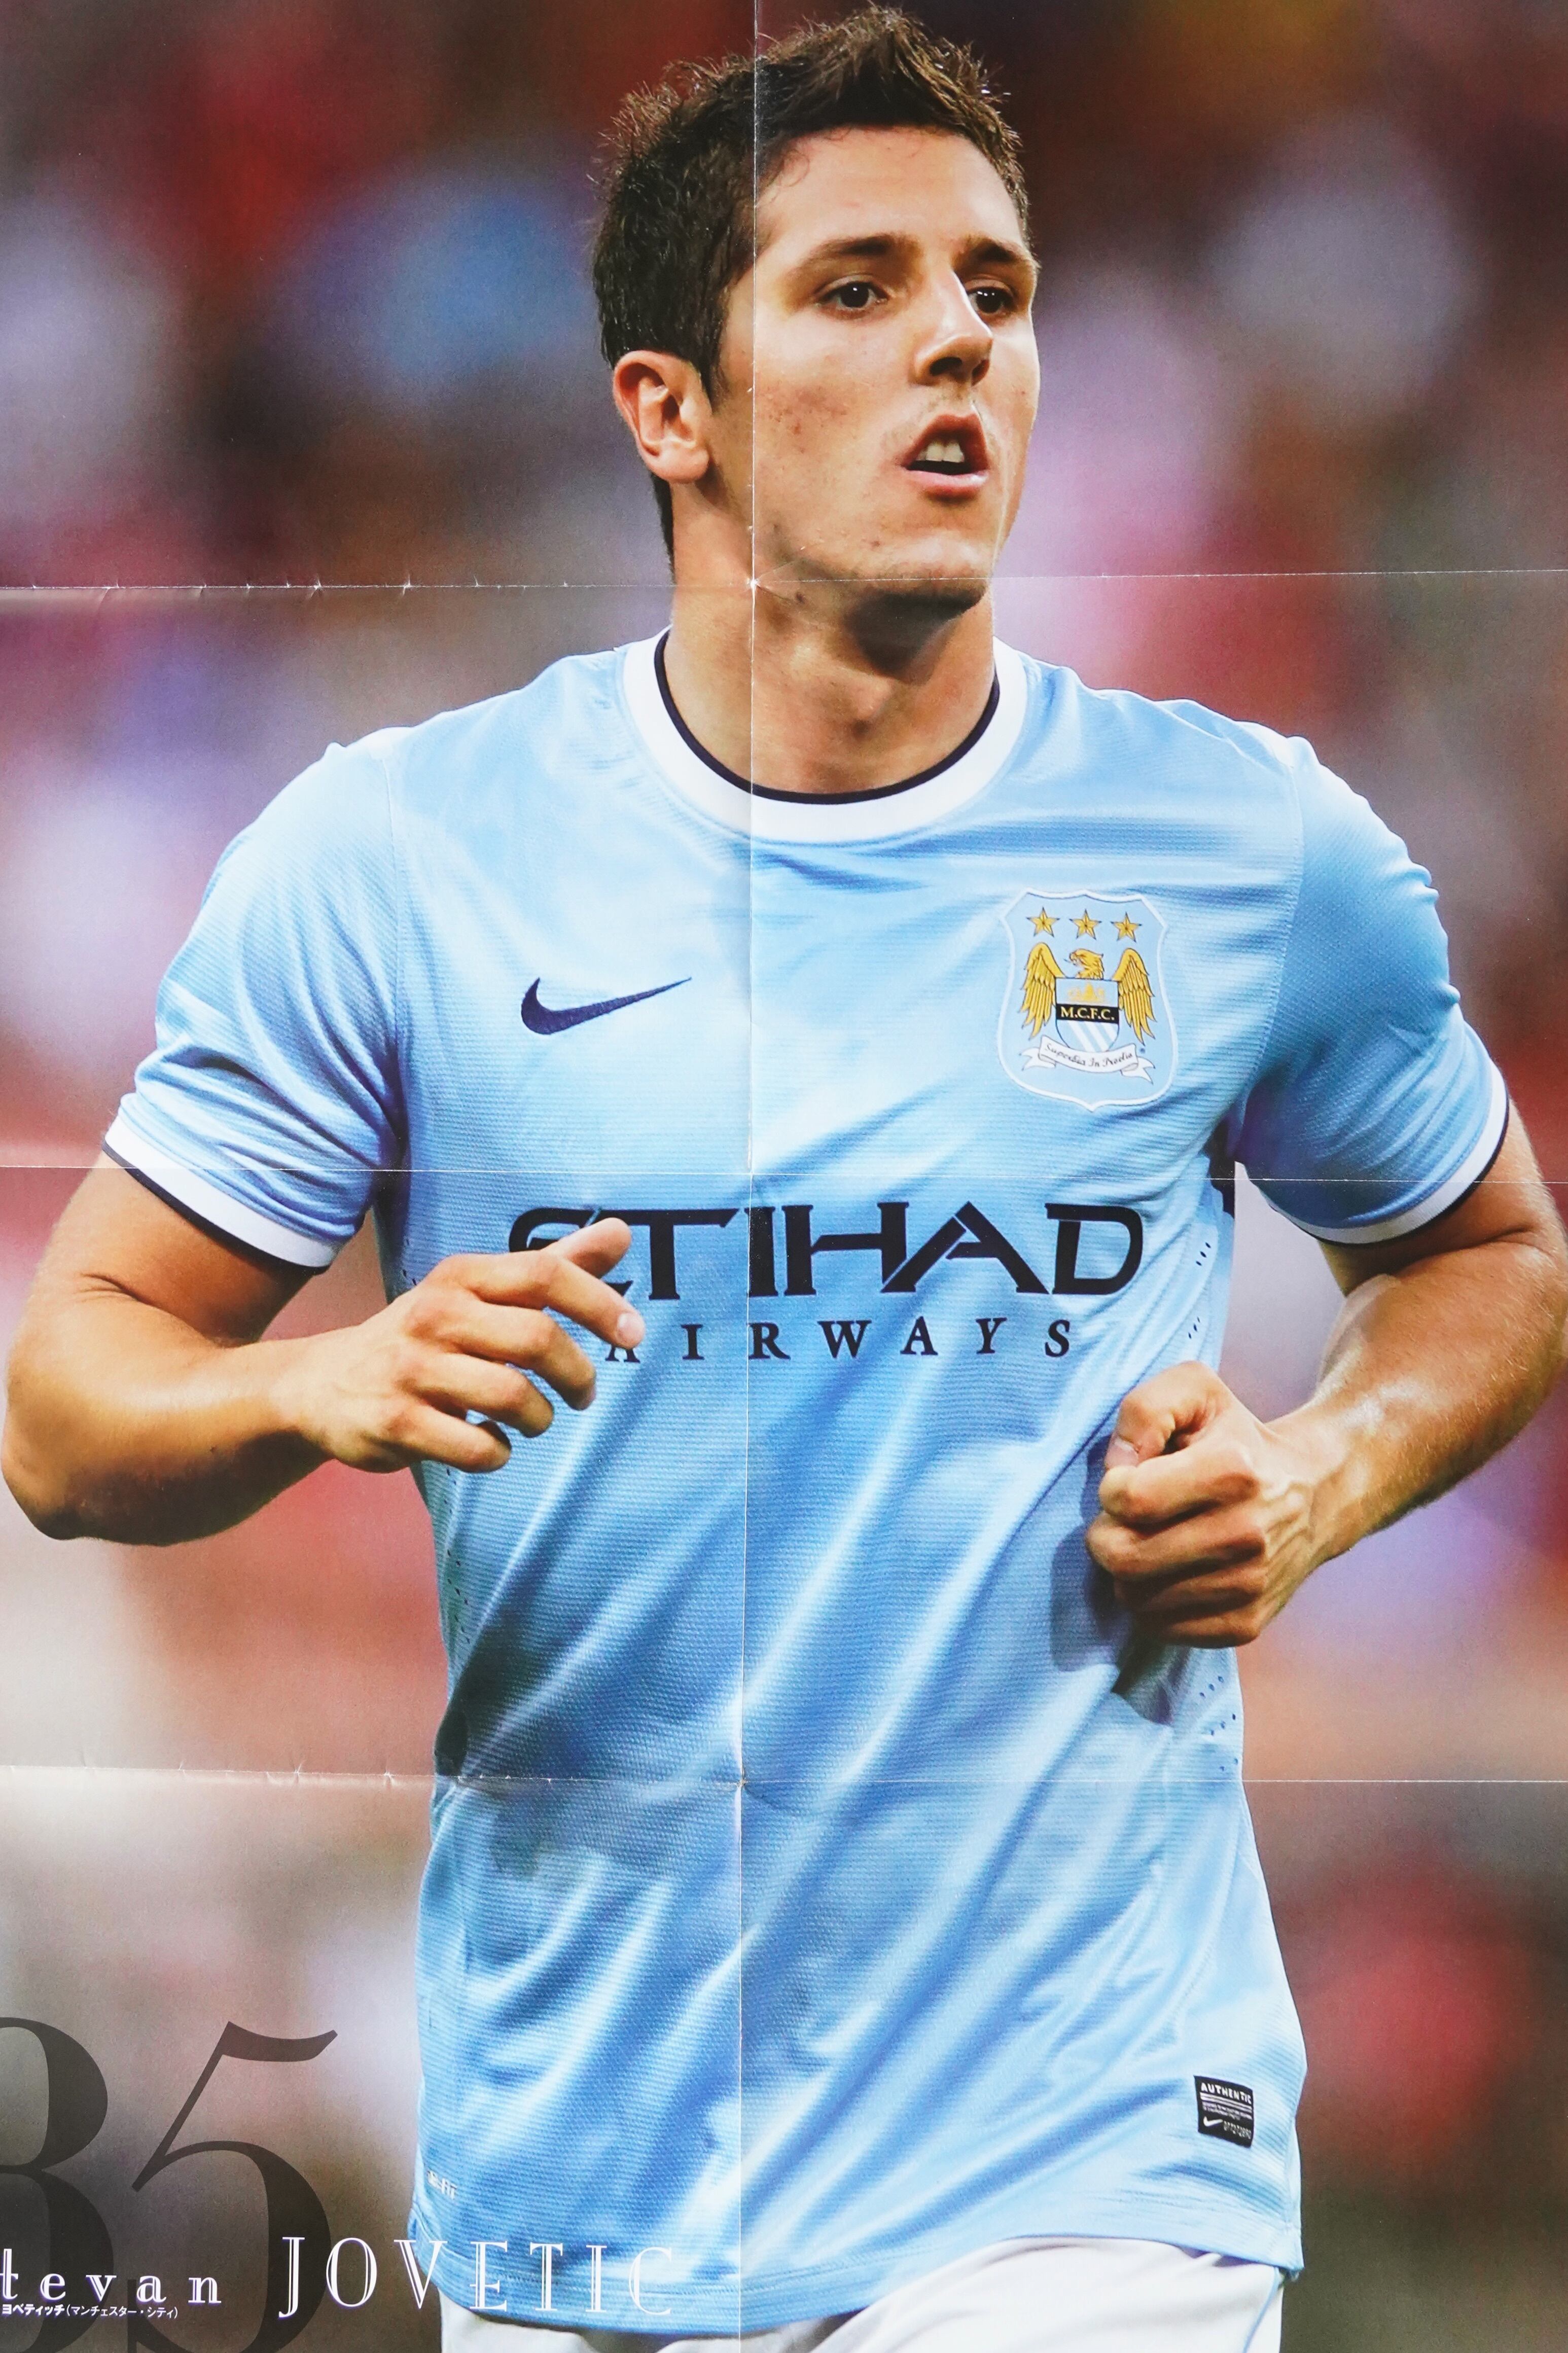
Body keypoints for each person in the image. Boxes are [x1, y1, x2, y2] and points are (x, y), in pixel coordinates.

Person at [5, 11, 1565, 2349]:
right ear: (670, 408)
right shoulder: (398, 860)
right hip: (586, 2162)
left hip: (1084, 2150)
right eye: (855, 287)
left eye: (995, 291)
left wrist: (1315, 1470)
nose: (955, 341)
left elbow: (1486, 1256)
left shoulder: (1240, 848)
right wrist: (317, 1383)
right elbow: (67, 1404)